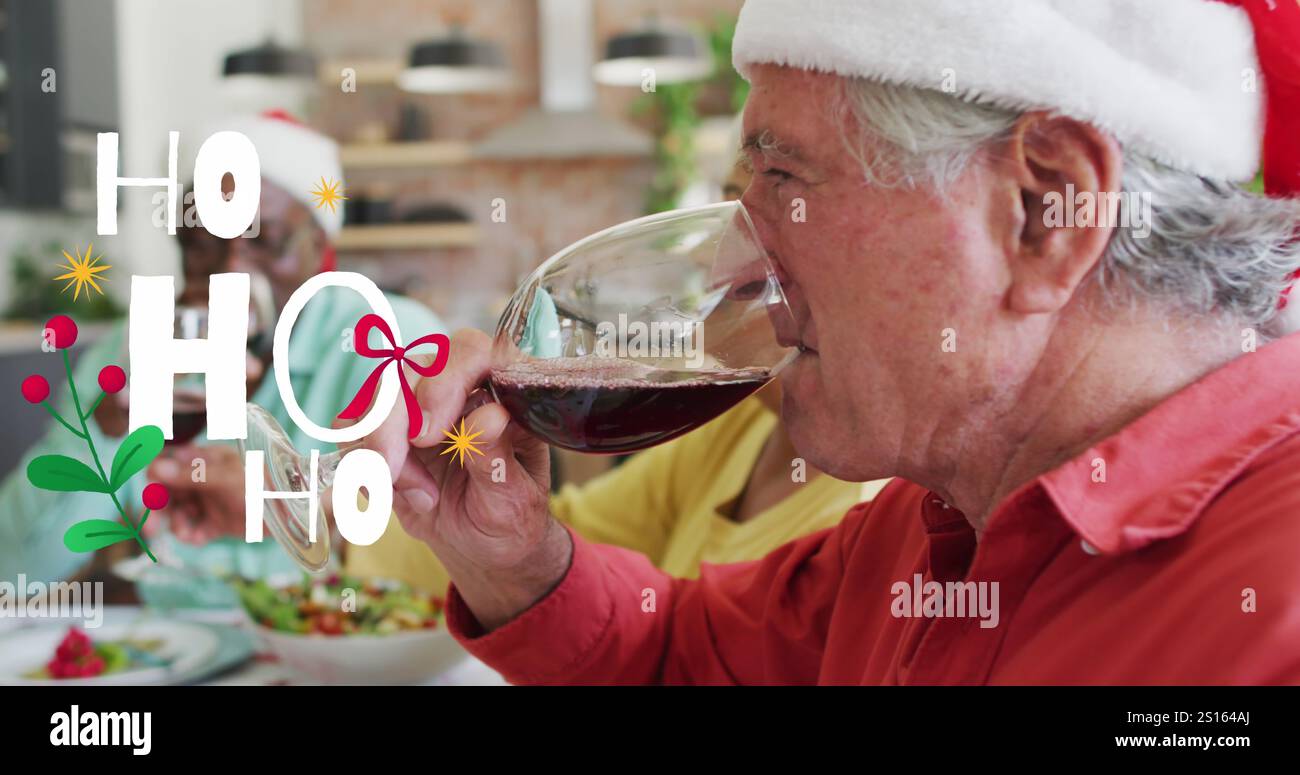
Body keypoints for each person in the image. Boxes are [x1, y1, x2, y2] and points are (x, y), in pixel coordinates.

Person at [358, 0, 1300, 684]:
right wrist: (510, 557)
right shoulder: (926, 521)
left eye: (783, 176)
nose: (731, 267)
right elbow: (674, 656)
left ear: (1045, 210)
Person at [345, 152, 889, 590]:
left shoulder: (882, 525)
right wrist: (372, 503)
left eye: (785, 202)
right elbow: (565, 548)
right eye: (732, 214)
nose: (722, 272)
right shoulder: (741, 431)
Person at [0, 111, 443, 585]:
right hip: (170, 645)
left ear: (319, 246)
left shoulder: (388, 338)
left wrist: (278, 499)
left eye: (265, 241)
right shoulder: (127, 353)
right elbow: (14, 570)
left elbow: (431, 543)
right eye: (202, 245)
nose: (231, 271)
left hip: (334, 645)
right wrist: (107, 430)